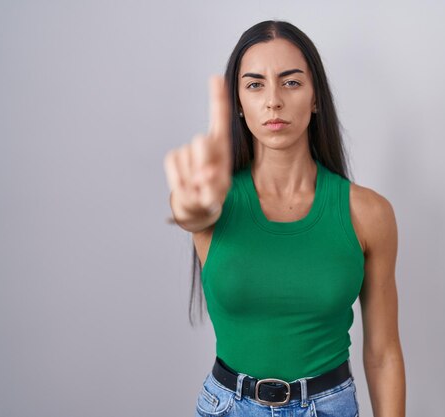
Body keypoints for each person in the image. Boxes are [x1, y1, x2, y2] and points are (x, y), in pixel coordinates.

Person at [163, 20, 405, 417]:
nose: (273, 100)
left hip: (329, 407)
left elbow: (382, 353)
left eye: (291, 82)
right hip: (227, 407)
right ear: (237, 102)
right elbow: (191, 212)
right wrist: (191, 207)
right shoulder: (212, 200)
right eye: (255, 84)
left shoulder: (368, 214)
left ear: (315, 98)